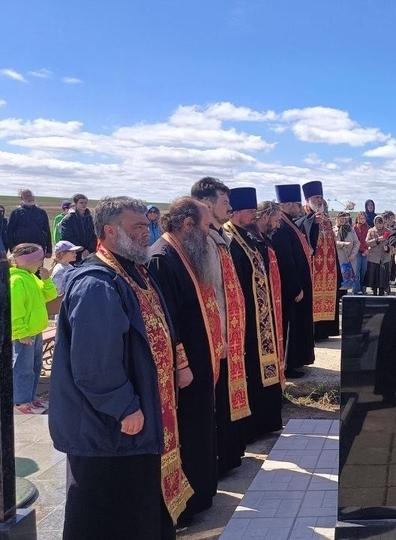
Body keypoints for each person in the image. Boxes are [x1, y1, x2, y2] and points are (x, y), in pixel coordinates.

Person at [50, 196, 193, 539]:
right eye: (138, 226)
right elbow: (94, 361)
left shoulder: (133, 272)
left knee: (138, 508)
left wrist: (178, 365)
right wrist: (123, 406)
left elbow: (162, 326)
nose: (147, 233)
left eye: (147, 225)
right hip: (109, 428)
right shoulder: (97, 283)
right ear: (110, 230)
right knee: (108, 513)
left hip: (137, 421)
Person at [147, 197, 220, 520]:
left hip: (200, 362)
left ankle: (202, 493)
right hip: (185, 370)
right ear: (187, 224)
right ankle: (188, 502)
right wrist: (182, 364)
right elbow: (167, 320)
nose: (209, 232)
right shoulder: (162, 258)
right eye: (205, 226)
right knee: (189, 431)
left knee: (200, 427)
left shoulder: (184, 252)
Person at [190, 176, 250, 475]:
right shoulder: (200, 241)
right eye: (225, 202)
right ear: (206, 203)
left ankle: (229, 454)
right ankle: (219, 458)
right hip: (215, 336)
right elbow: (207, 293)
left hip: (229, 332)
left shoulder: (219, 237)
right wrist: (219, 334)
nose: (230, 207)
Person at [225, 191, 284, 442]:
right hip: (246, 320)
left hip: (262, 318)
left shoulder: (249, 236)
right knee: (250, 371)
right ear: (236, 213)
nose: (254, 215)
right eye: (250, 212)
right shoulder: (230, 238)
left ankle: (265, 422)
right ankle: (252, 427)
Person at [272, 184, 315, 379]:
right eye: (297, 205)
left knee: (298, 323)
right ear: (287, 204)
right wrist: (295, 286)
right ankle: (289, 364)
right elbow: (286, 259)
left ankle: (297, 360)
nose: (300, 208)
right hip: (292, 287)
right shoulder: (281, 226)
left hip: (299, 283)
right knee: (291, 325)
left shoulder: (289, 223)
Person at [10, 243, 58, 414]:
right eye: (39, 260)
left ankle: (30, 397)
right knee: (23, 368)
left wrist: (46, 280)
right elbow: (14, 310)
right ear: (28, 261)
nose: (41, 263)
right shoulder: (16, 281)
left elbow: (50, 295)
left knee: (35, 366)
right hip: (24, 334)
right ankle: (21, 401)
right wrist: (21, 332)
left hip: (35, 331)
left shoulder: (31, 277)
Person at [296, 181, 341, 341]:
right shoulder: (302, 215)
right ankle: (313, 332)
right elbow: (298, 227)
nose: (319, 200)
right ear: (308, 200)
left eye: (321, 197)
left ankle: (324, 331)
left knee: (328, 297)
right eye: (316, 197)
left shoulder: (326, 219)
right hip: (313, 268)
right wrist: (312, 223)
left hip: (329, 269)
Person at [7, 189, 52, 257]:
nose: (30, 198)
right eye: (27, 196)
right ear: (21, 198)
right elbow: (9, 232)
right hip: (22, 250)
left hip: (38, 249)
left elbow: (47, 231)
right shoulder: (16, 213)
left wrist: (49, 250)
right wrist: (12, 249)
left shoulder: (41, 212)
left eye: (31, 195)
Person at [364, 215, 391, 296]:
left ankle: (382, 292)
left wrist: (388, 248)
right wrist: (377, 240)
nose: (378, 225)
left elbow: (392, 243)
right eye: (377, 223)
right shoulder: (371, 231)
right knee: (374, 276)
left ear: (383, 223)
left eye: (380, 223)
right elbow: (367, 243)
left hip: (384, 258)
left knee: (383, 276)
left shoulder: (388, 231)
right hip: (373, 258)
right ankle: (374, 292)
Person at [354, 199, 376, 294]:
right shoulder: (355, 228)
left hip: (367, 252)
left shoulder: (368, 228)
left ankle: (363, 289)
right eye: (360, 218)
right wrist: (363, 250)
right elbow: (356, 241)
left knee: (364, 270)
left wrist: (367, 250)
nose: (362, 220)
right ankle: (356, 289)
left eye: (363, 218)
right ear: (357, 219)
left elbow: (369, 240)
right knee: (357, 271)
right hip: (358, 252)